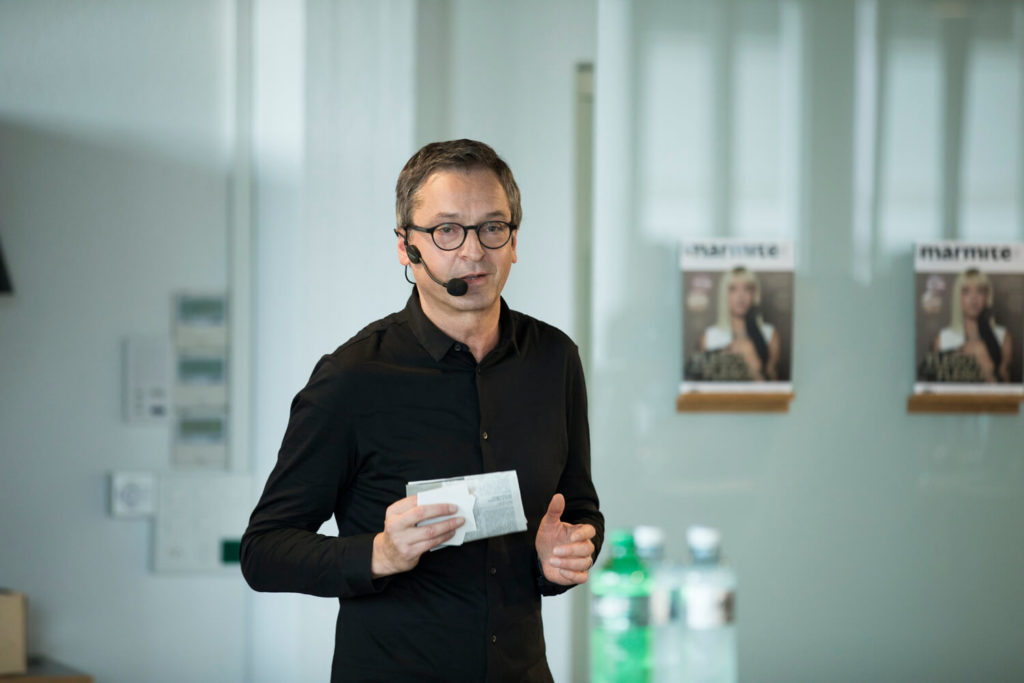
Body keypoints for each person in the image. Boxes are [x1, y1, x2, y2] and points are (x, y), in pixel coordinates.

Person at [240, 139, 603, 682]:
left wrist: (563, 557)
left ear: (514, 241)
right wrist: (379, 554)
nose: (474, 252)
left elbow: (577, 507)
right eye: (447, 230)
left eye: (492, 227)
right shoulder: (351, 378)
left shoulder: (555, 360)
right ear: (406, 247)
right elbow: (264, 552)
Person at [931, 268, 1013, 383]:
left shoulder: (1003, 337)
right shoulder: (942, 339)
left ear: (987, 296)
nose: (973, 298)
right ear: (957, 297)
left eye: (980, 291)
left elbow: (1006, 392)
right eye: (966, 291)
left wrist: (989, 372)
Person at [699, 265, 781, 381]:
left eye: (747, 288)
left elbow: (774, 384)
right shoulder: (709, 337)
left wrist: (754, 367)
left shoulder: (770, 334)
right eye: (733, 289)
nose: (740, 296)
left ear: (754, 294)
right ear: (724, 294)